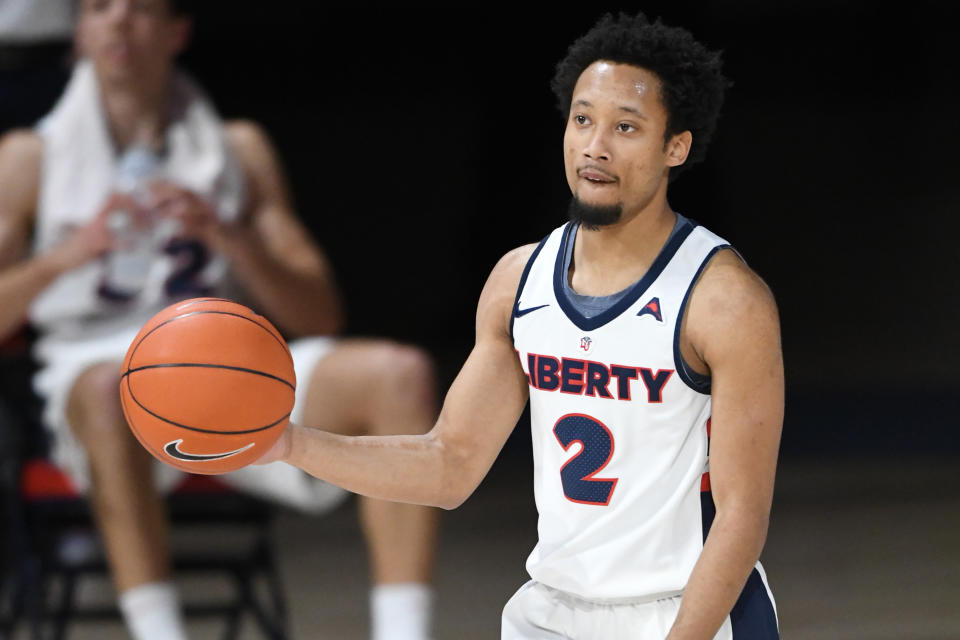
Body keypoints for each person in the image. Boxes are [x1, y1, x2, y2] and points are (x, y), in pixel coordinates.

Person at [260, 11, 784, 640]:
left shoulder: (725, 302)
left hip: (688, 612)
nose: (595, 146)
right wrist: (289, 444)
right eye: (583, 119)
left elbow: (741, 516)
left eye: (626, 127)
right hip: (553, 611)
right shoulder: (518, 282)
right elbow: (448, 464)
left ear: (677, 146)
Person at [0, 1, 438, 639]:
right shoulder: (28, 156)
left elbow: (319, 314)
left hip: (224, 361)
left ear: (178, 31)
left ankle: (406, 632)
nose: (118, 23)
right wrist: (68, 254)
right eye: (99, 7)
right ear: (80, 30)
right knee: (107, 386)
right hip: (94, 366)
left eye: (140, 9)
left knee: (399, 374)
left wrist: (229, 237)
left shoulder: (238, 149)